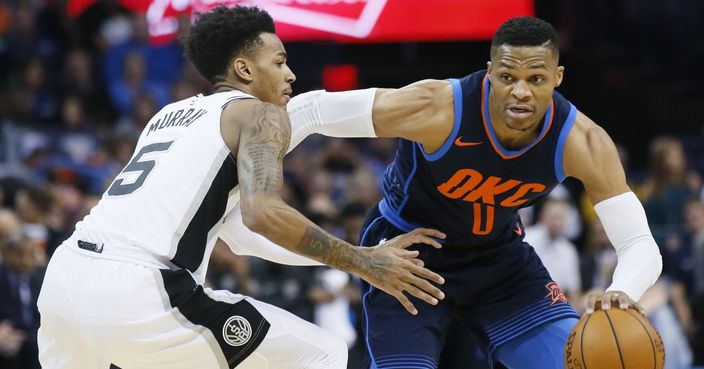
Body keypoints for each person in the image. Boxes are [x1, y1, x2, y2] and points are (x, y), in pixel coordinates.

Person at [36, 6, 446, 369]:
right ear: (245, 70)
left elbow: (241, 233)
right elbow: (263, 213)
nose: (291, 74)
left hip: (64, 277)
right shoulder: (259, 113)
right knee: (321, 354)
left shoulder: (169, 114)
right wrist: (364, 262)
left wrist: (343, 259)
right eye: (280, 62)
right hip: (141, 291)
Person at [280, 16, 664, 369]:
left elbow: (639, 243)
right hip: (408, 257)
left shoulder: (582, 141)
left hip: (499, 261)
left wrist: (620, 292)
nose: (521, 92)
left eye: (536, 79)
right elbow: (311, 111)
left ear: (558, 76)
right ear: (490, 72)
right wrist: (237, 171)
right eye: (508, 77)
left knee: (578, 361)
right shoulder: (438, 108)